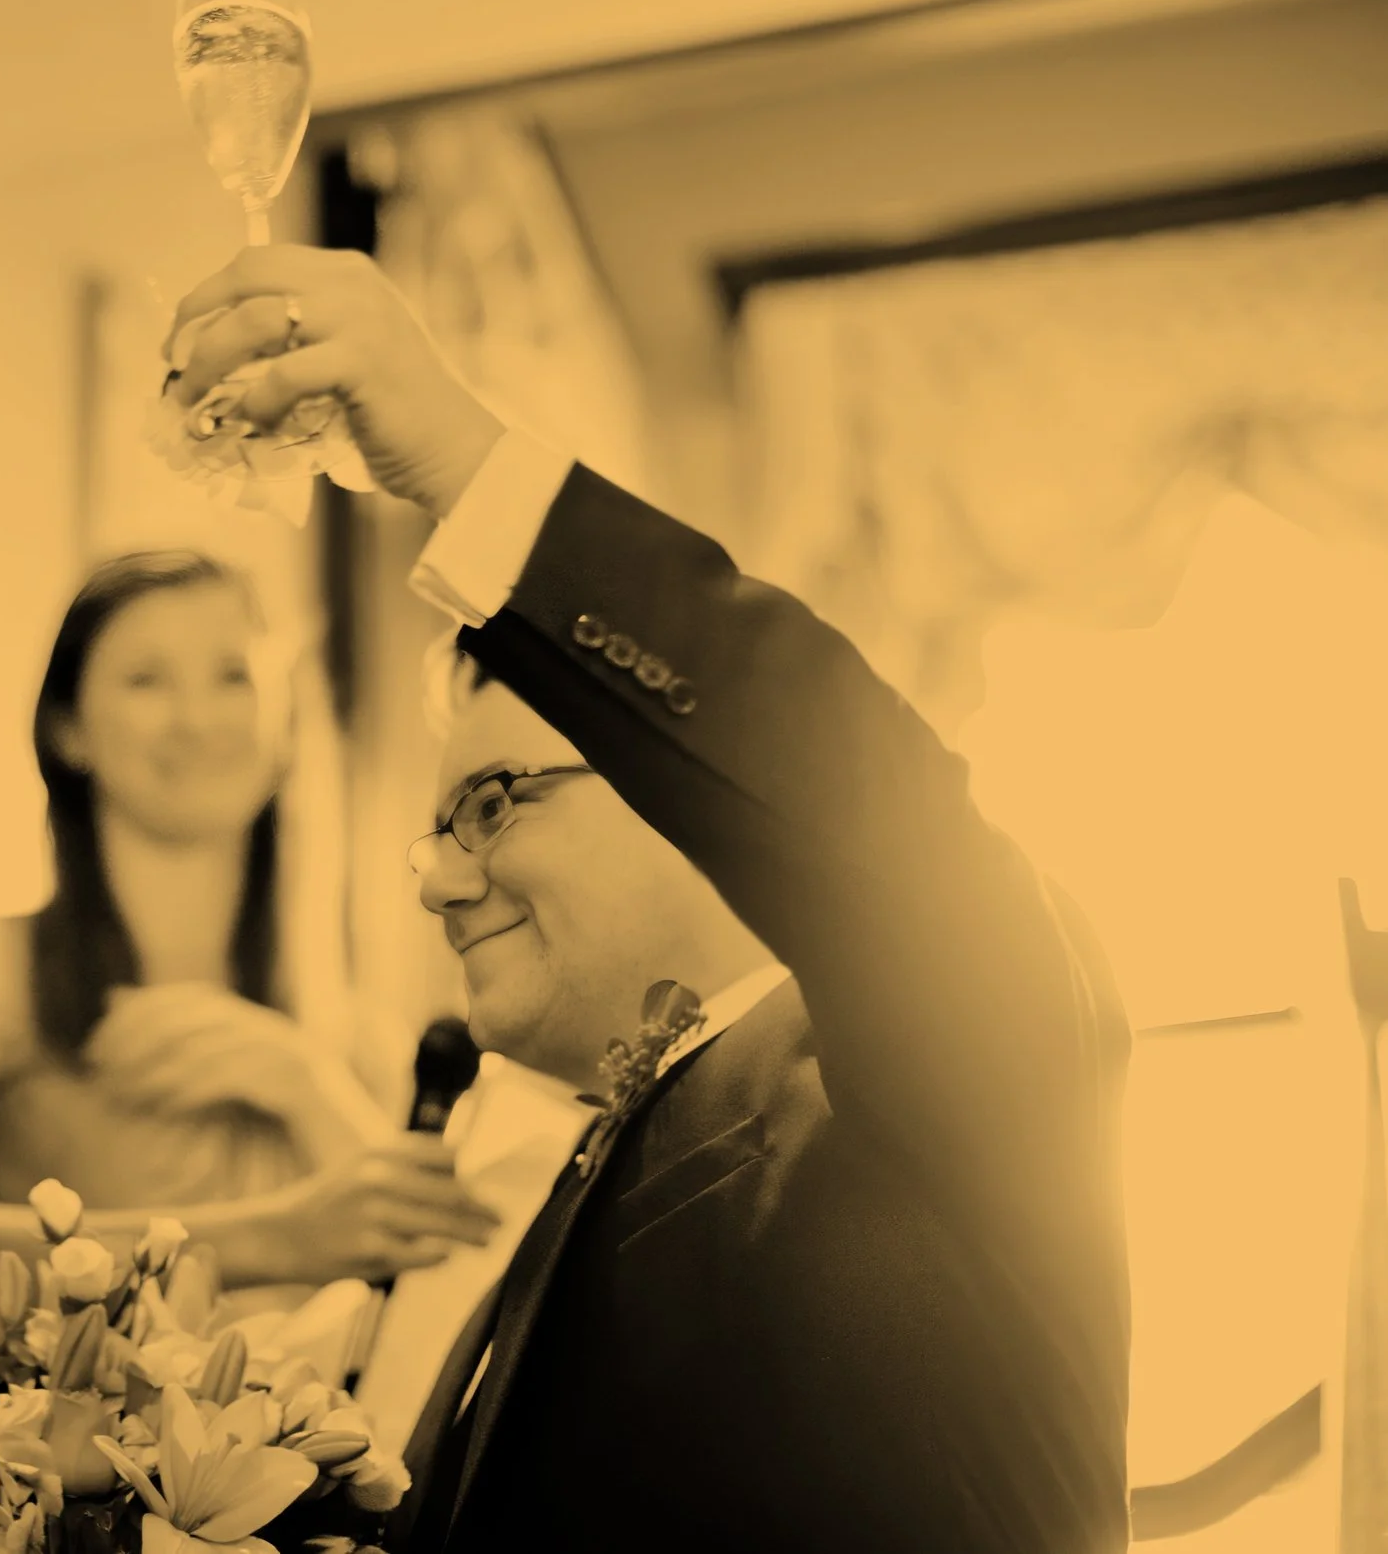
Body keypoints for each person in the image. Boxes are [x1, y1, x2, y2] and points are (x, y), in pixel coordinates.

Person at [162, 246, 1132, 1553]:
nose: (441, 876)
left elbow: (882, 813)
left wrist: (462, 464)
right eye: (436, 827)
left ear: (684, 793)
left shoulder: (924, 1045)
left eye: (496, 799)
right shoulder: (549, 1178)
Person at [0, 552, 499, 1311]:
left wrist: (307, 1088)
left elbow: (449, 1304)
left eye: (232, 676)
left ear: (284, 725)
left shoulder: (354, 1046)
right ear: (68, 729)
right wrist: (267, 1236)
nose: (197, 718)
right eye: (147, 679)